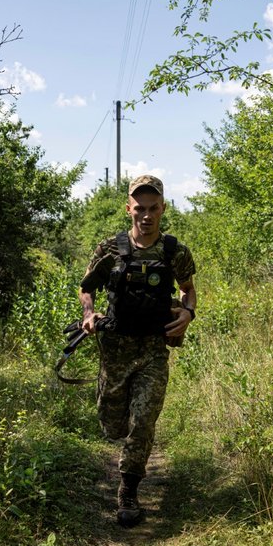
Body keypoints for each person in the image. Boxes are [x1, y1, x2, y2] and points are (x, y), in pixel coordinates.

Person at [78, 174, 197, 527]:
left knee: (143, 420)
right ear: (128, 209)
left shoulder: (175, 251)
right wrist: (89, 314)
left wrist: (188, 313)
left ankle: (127, 492)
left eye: (153, 208)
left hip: (153, 352)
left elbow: (188, 289)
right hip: (115, 350)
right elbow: (87, 287)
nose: (146, 215)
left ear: (163, 209)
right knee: (113, 424)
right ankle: (121, 444)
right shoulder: (110, 249)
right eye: (139, 208)